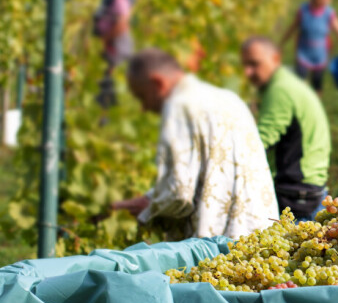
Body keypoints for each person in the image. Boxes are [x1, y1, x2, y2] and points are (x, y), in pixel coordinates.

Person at [112, 48, 278, 240]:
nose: (144, 107)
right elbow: (209, 170)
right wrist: (151, 197)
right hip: (262, 233)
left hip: (219, 245)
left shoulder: (179, 106)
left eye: (142, 97)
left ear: (157, 83)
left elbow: (178, 193)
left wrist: (146, 211)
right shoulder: (229, 99)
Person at [241, 36, 331, 222]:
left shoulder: (280, 90)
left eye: (254, 64)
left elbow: (259, 143)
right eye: (245, 66)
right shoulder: (287, 84)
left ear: (275, 58)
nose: (248, 72)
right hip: (309, 187)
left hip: (297, 193)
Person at [280, 0, 338, 93]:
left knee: (317, 81)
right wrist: (282, 43)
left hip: (320, 53)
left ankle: (316, 103)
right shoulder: (303, 11)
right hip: (303, 52)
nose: (328, 0)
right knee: (299, 78)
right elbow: (292, 28)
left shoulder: (329, 14)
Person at [93, 0, 135, 109]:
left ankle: (113, 109)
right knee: (107, 75)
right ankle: (106, 108)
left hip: (118, 43)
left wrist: (106, 38)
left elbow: (122, 23)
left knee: (114, 75)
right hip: (112, 42)